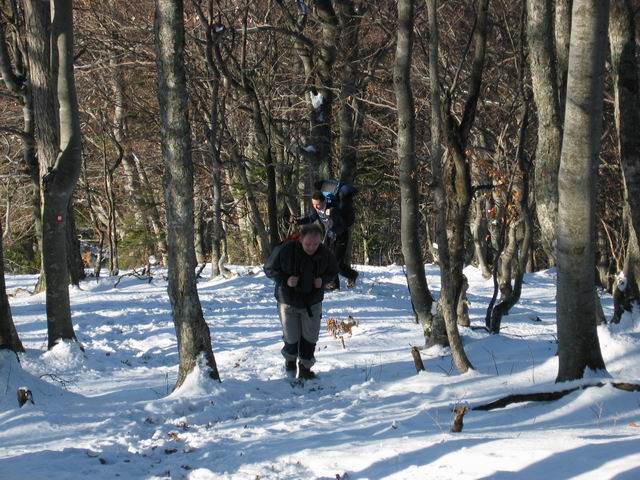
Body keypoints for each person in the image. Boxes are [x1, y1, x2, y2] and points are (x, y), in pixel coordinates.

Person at [263, 224, 339, 379]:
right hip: (287, 300)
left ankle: (305, 367)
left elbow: (333, 271)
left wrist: (322, 280)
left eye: (315, 244)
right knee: (291, 337)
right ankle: (290, 361)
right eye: (308, 244)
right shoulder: (285, 250)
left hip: (313, 302)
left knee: (310, 337)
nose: (311, 247)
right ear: (300, 239)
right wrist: (285, 280)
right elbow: (269, 269)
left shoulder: (325, 253)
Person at [292, 191, 358, 289]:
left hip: (341, 236)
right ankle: (334, 284)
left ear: (323, 202)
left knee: (336, 262)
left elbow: (342, 225)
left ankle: (352, 275)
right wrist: (298, 221)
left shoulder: (332, 210)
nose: (315, 207)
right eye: (313, 204)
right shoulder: (317, 209)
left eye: (317, 204)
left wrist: (333, 224)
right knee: (327, 259)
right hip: (329, 236)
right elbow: (311, 218)